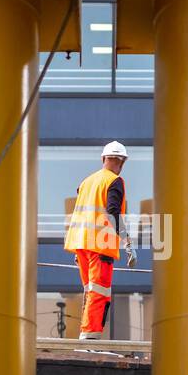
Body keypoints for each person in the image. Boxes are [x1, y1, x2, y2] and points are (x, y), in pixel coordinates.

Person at [64, 141, 137, 340]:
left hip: (81, 245)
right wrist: (127, 242)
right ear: (122, 162)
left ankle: (86, 337)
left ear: (103, 158)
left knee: (90, 291)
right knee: (99, 293)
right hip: (100, 247)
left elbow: (82, 211)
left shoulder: (86, 182)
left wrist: (81, 251)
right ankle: (89, 340)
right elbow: (113, 212)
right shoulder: (115, 181)